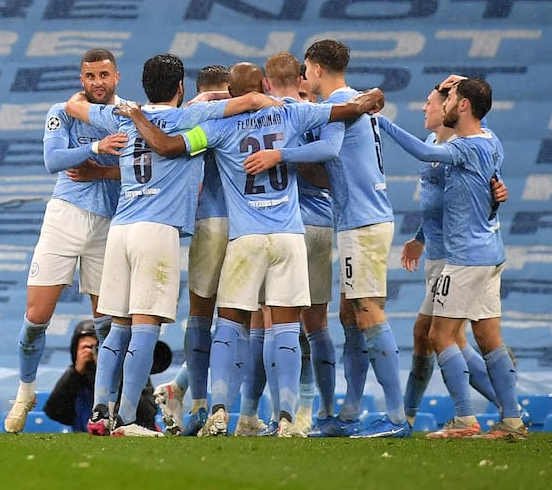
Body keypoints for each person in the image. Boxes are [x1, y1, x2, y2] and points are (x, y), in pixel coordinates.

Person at [122, 62, 382, 438]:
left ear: (230, 93)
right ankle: (288, 418)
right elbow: (352, 109)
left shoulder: (216, 126)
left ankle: (216, 410)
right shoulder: (290, 113)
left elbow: (169, 146)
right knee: (287, 329)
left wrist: (136, 115)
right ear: (263, 84)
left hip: (242, 237)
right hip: (289, 237)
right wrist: (373, 97)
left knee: (226, 323)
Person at [64, 53, 278, 437]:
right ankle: (128, 419)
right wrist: (228, 100)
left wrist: (124, 107)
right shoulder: (187, 118)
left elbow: (73, 106)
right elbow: (248, 101)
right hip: (156, 231)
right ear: (180, 87)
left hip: (121, 228)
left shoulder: (123, 116)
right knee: (146, 328)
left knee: (117, 328)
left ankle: (100, 411)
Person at [375, 77, 527, 440]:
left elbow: (426, 153)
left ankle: (464, 419)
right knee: (487, 337)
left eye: (445, 100)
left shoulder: (465, 146)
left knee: (439, 335)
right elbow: (475, 118)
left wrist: (378, 120)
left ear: (461, 106)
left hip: (464, 257)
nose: (435, 107)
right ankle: (513, 419)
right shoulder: (490, 140)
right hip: (489, 253)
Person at [4, 48, 128, 433]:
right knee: (37, 316)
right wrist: (95, 148)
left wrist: (103, 172)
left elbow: (143, 166)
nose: (98, 83)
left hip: (108, 223)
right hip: (65, 216)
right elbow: (53, 160)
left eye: (104, 75)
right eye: (90, 76)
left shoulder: (129, 114)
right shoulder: (61, 110)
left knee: (106, 321)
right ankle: (25, 391)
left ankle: (104, 404)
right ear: (82, 79)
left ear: (116, 77)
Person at [302, 38, 409, 438]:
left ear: (315, 69)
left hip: (363, 221)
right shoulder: (359, 103)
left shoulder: (342, 107)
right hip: (362, 218)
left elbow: (322, 157)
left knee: (366, 310)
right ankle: (347, 414)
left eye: (306, 70)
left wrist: (281, 154)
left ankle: (396, 417)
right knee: (350, 314)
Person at [240, 52, 340, 433]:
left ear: (266, 82)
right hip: (319, 225)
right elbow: (335, 172)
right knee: (316, 327)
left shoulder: (258, 116)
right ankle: (315, 414)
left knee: (268, 325)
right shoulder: (316, 113)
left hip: (277, 224)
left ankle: (267, 414)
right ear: (300, 77)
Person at [400, 76, 506, 427]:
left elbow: (473, 192)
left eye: (432, 102)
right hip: (439, 252)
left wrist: (495, 193)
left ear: (451, 105)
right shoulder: (436, 140)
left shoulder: (458, 148)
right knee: (430, 334)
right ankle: (507, 408)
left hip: (456, 255)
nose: (427, 107)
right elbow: (437, 204)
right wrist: (419, 236)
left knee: (444, 335)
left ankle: (435, 416)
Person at [154, 64, 232, 436]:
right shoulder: (230, 115)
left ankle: (186, 392)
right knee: (225, 317)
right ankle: (206, 407)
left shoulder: (189, 116)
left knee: (226, 318)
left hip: (234, 225)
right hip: (224, 223)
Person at [44, 319, 160, 432]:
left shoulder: (131, 373)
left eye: (102, 348)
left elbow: (148, 413)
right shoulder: (76, 378)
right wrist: (75, 373)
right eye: (86, 347)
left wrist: (111, 369)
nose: (95, 351)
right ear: (75, 350)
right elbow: (54, 412)